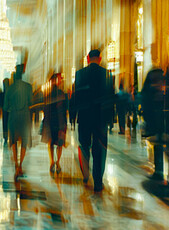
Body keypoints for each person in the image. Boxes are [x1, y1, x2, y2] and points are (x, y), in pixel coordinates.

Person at [70, 49, 115, 192]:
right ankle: (98, 181)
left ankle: (85, 174)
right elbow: (111, 98)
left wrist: (72, 115)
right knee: (100, 149)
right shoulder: (107, 74)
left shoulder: (80, 74)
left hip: (84, 117)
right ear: (100, 58)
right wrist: (111, 119)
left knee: (84, 146)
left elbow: (75, 96)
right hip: (101, 119)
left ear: (88, 59)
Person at [4, 64, 33, 178]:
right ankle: (21, 165)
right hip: (25, 117)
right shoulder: (28, 87)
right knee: (24, 142)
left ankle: (16, 164)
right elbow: (31, 102)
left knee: (14, 142)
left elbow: (6, 107)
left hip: (13, 117)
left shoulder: (10, 88)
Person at [41, 73, 68, 174]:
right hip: (60, 122)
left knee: (51, 143)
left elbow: (45, 110)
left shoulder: (47, 95)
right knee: (59, 144)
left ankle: (52, 161)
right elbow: (66, 109)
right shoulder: (62, 93)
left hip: (50, 122)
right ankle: (58, 162)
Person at [0, 78, 11, 143]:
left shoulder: (2, 94)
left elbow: (1, 103)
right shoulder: (11, 92)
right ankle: (9, 136)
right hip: (10, 110)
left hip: (5, 110)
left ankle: (5, 136)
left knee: (5, 124)